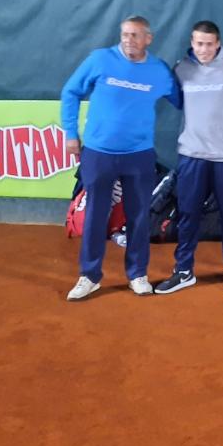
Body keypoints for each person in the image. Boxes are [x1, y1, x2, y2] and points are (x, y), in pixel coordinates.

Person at [61, 16, 180, 300]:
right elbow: (71, 92)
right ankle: (89, 276)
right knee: (95, 216)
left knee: (139, 217)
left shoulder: (159, 71)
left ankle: (137, 275)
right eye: (125, 34)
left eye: (135, 35)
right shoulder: (100, 60)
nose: (128, 40)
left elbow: (183, 100)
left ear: (148, 38)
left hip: (139, 156)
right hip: (98, 153)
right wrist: (70, 133)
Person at [154, 21, 223, 295]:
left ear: (218, 44)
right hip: (192, 155)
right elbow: (175, 99)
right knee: (188, 214)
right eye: (199, 43)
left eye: (209, 44)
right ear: (192, 42)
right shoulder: (182, 69)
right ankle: (183, 270)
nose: (204, 49)